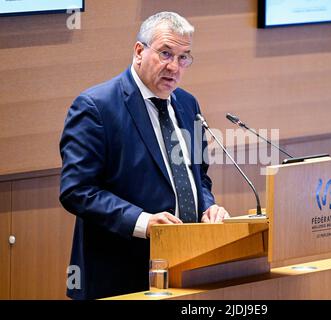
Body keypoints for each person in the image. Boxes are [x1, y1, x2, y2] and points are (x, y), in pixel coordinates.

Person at [59, 11, 229, 300]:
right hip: (120, 274)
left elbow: (198, 177)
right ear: (139, 51)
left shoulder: (188, 104)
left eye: (183, 57)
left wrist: (208, 207)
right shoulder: (96, 107)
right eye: (165, 53)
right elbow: (77, 190)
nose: (174, 67)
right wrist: (142, 222)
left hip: (186, 269)